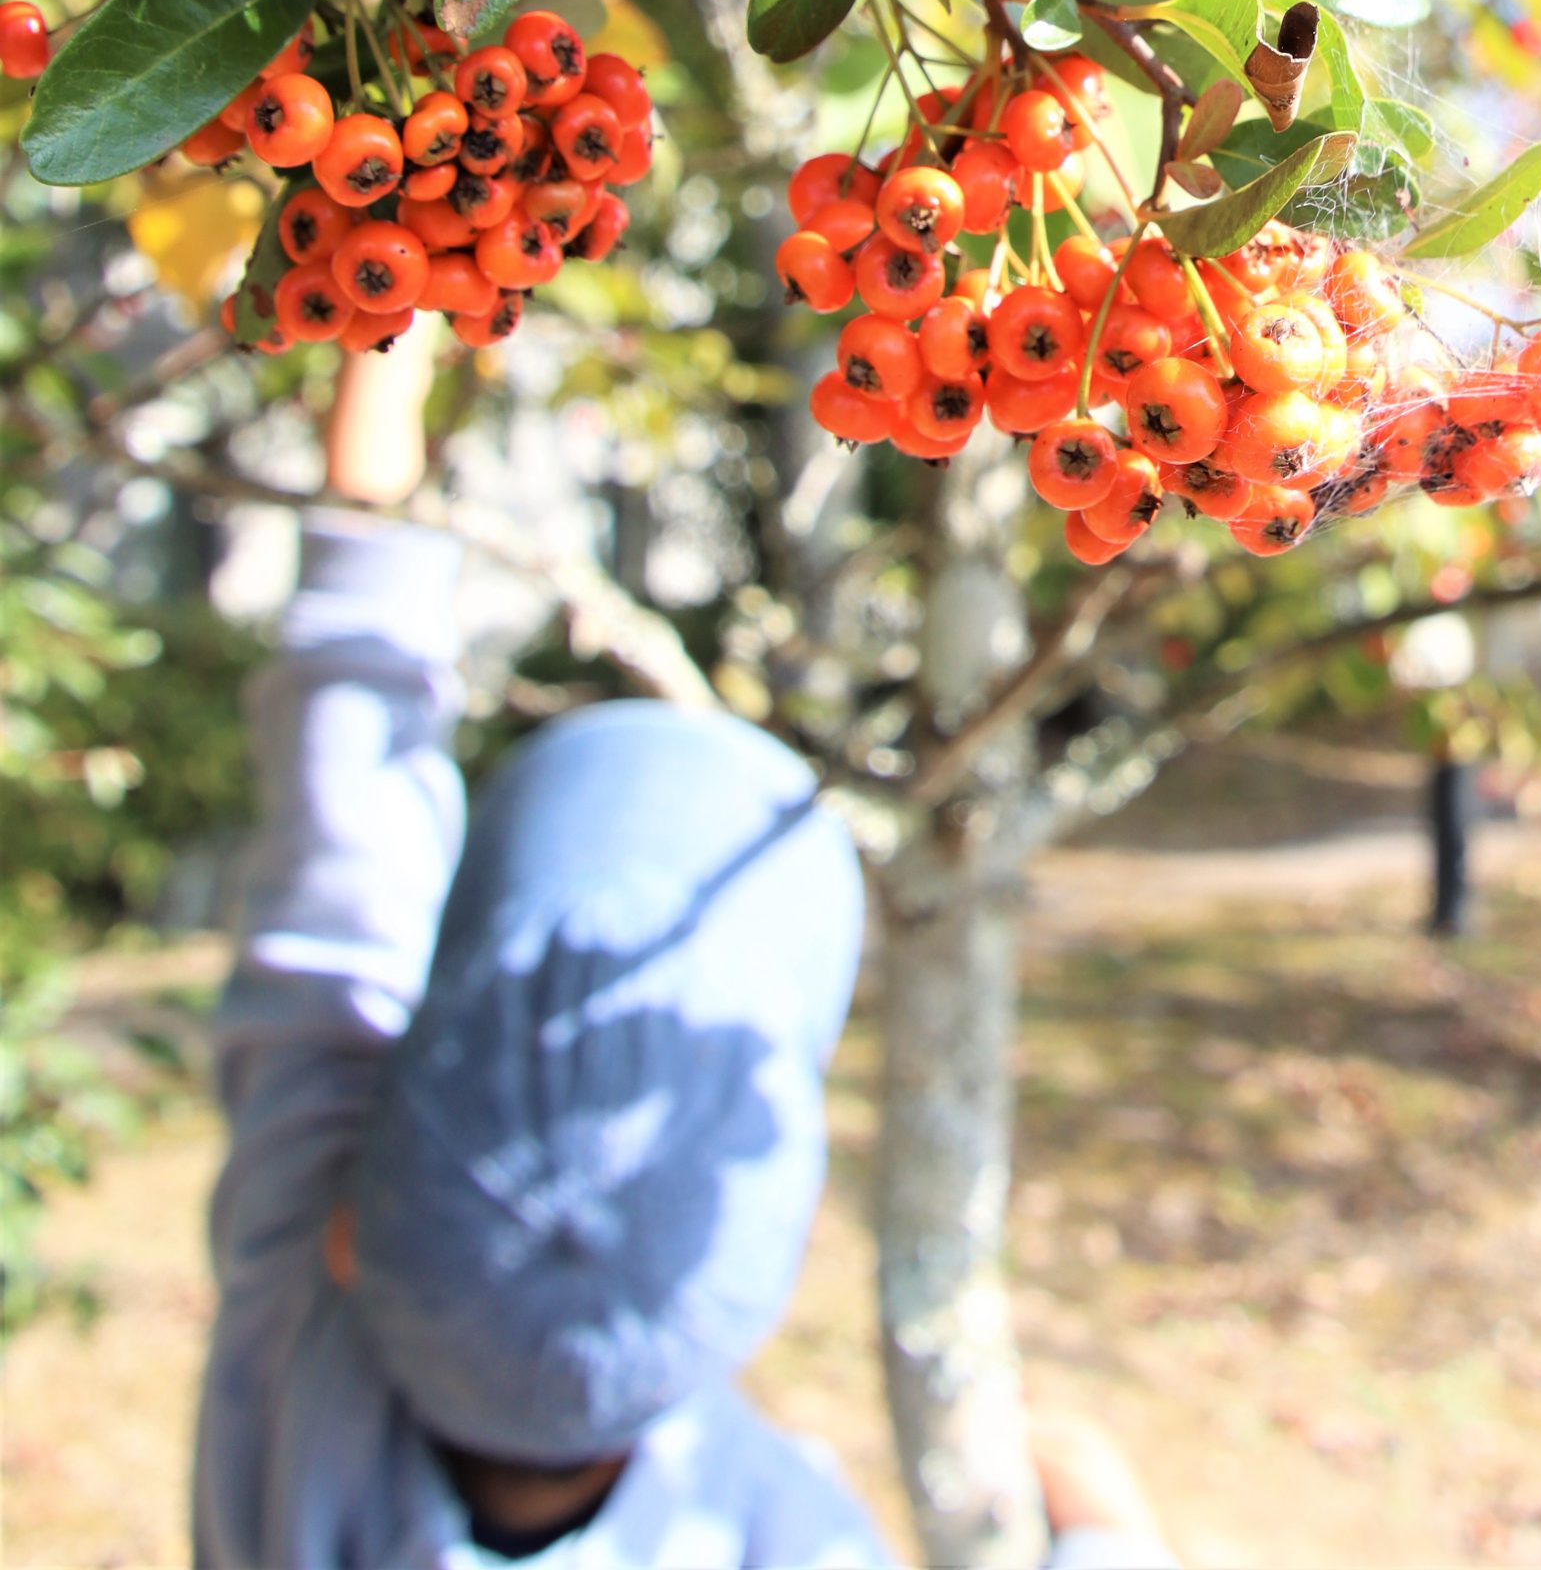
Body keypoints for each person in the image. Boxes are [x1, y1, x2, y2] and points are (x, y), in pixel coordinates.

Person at [193, 331, 1171, 1569]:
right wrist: (1108, 1542)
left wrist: (390, 298)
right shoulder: (774, 1530)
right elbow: (343, 757)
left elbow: (343, 792)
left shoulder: (294, 1309)